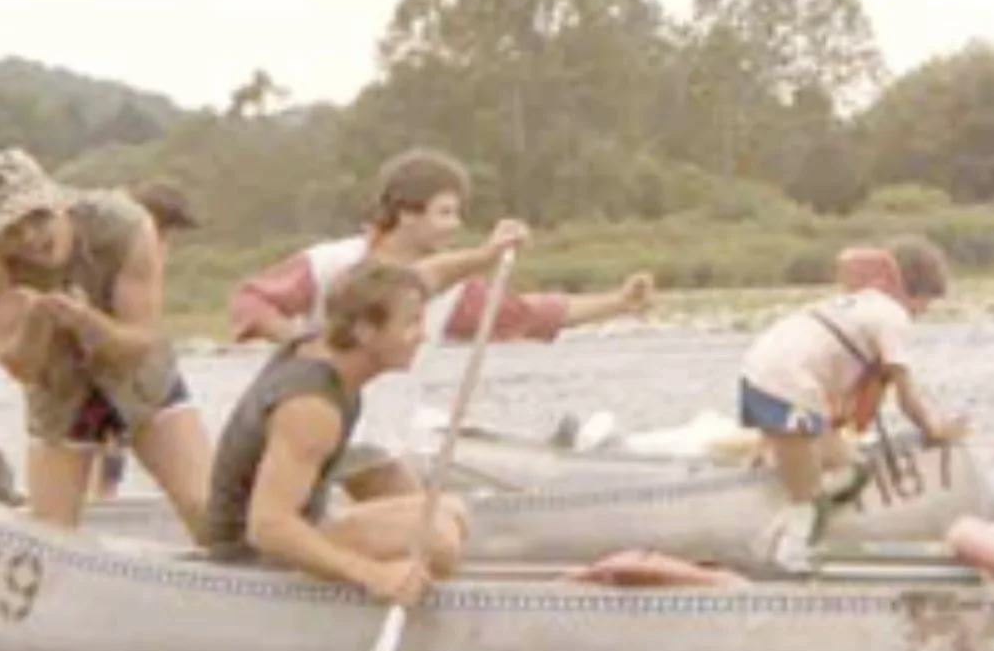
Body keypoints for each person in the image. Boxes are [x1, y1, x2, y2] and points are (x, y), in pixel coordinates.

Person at [226, 147, 654, 482]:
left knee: (435, 520)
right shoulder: (328, 262)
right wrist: (299, 343)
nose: (455, 224)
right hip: (312, 433)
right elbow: (249, 301)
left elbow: (528, 314)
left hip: (379, 444)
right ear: (406, 213)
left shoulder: (450, 290)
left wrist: (617, 303)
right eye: (445, 212)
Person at [0, 147, 213, 539]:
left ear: (55, 202)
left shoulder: (125, 226)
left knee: (207, 510)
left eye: (37, 217)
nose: (30, 238)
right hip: (60, 388)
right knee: (49, 537)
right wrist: (34, 324)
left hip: (138, 378)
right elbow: (20, 366)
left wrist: (86, 321)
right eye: (12, 230)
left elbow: (138, 343)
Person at [207, 258, 470, 604]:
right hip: (251, 558)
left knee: (452, 510)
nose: (423, 335)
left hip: (299, 527)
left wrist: (486, 255)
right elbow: (267, 527)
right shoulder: (312, 407)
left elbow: (426, 275)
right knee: (438, 538)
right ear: (365, 332)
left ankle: (413, 587)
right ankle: (395, 598)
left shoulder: (325, 350)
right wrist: (371, 574)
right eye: (412, 323)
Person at [738, 235, 968, 571]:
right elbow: (906, 395)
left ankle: (789, 523)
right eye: (927, 305)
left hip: (762, 372)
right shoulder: (893, 316)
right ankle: (790, 554)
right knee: (810, 497)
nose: (922, 314)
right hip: (788, 385)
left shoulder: (858, 303)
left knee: (854, 470)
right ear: (916, 293)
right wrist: (935, 428)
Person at [86, 180, 203, 502]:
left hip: (135, 356)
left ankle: (104, 492)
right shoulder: (126, 241)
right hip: (111, 356)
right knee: (108, 428)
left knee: (117, 433)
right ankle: (102, 494)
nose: (167, 244)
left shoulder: (143, 243)